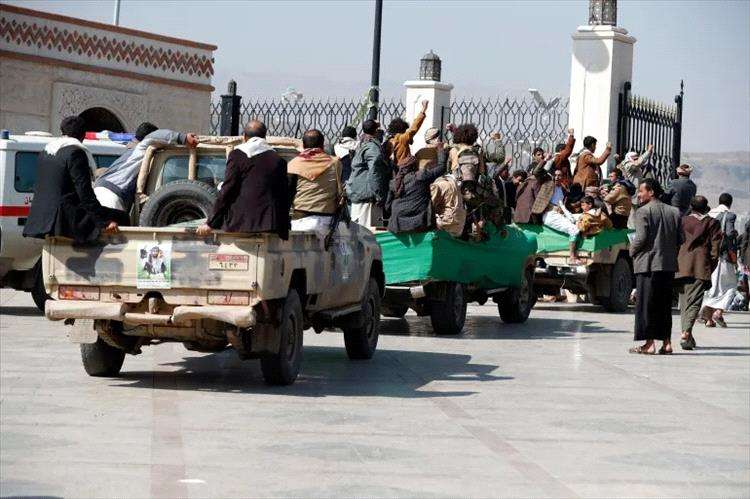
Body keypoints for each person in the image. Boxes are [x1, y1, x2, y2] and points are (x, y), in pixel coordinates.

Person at [23, 116, 127, 244]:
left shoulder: (46, 152)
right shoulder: (75, 152)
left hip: (40, 217)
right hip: (64, 218)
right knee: (122, 217)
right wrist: (104, 222)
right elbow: (85, 193)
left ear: (62, 132)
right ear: (83, 135)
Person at [196, 120, 290, 239]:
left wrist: (211, 222)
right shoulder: (278, 160)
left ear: (244, 137)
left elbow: (228, 188)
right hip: (271, 224)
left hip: (241, 223)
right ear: (265, 137)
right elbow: (283, 194)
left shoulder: (238, 155)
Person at [629, 178, 683, 355]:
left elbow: (641, 238)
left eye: (641, 191)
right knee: (664, 305)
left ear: (651, 192)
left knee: (646, 305)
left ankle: (649, 344)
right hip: (667, 266)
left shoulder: (643, 211)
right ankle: (666, 343)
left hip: (648, 265)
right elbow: (680, 239)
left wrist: (631, 250)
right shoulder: (674, 211)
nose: (639, 194)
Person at [94, 122, 198, 211]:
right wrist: (183, 138)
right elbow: (155, 135)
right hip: (110, 196)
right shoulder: (141, 148)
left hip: (100, 193)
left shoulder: (130, 153)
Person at [676, 196, 721, 350]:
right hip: (701, 265)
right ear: (705, 208)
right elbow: (715, 250)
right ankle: (686, 333)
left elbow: (676, 243)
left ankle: (687, 336)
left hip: (682, 265)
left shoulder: (682, 221)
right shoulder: (712, 223)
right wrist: (710, 266)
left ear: (692, 207)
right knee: (694, 302)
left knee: (684, 303)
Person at [286, 129, 342, 236]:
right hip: (327, 221)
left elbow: (288, 194)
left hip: (300, 219)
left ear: (303, 145)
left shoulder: (293, 164)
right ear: (322, 145)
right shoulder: (336, 163)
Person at [386, 145, 447, 233]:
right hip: (420, 223)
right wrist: (441, 150)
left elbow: (387, 206)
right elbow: (442, 167)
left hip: (397, 224)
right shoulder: (420, 176)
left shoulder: (393, 183)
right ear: (415, 166)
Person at [701, 193, 738, 327]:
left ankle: (708, 318)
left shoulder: (708, 214)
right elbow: (728, 234)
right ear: (730, 203)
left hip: (706, 257)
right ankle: (718, 312)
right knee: (731, 286)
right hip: (723, 257)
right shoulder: (729, 215)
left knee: (711, 287)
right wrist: (733, 255)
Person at [345, 119, 390, 227]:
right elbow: (375, 172)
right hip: (367, 198)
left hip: (360, 193)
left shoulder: (362, 143)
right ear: (376, 131)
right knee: (368, 232)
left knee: (359, 231)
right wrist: (378, 195)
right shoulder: (372, 147)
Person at [540, 169, 582, 264]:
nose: (557, 177)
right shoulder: (548, 187)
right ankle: (572, 257)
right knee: (574, 230)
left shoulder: (562, 189)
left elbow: (562, 204)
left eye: (559, 175)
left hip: (559, 214)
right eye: (555, 175)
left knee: (581, 219)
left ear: (563, 177)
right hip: (549, 215)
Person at [384, 100, 428, 166]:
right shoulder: (401, 138)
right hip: (402, 168)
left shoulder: (389, 140)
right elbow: (414, 127)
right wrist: (423, 109)